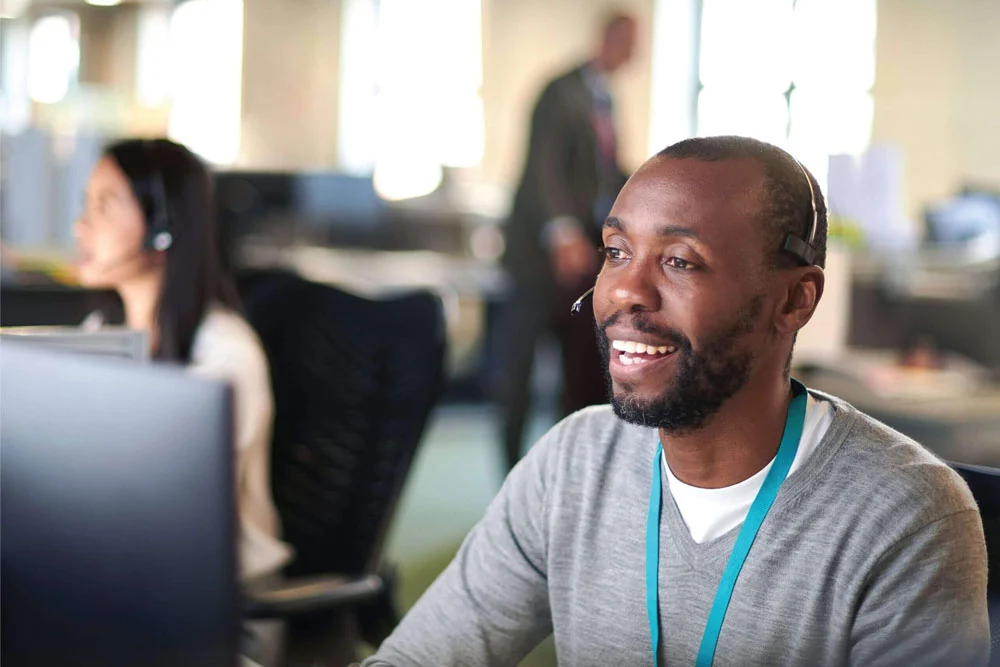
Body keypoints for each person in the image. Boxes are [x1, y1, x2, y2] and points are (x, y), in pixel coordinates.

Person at [363, 136, 990, 666]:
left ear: (795, 300)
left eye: (681, 262)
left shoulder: (906, 519)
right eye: (616, 252)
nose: (624, 292)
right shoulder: (576, 461)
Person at [74, 138, 292, 667]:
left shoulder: (225, 355)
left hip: (220, 613)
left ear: (162, 225)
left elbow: (167, 510)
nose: (82, 227)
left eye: (105, 205)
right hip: (123, 590)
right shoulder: (100, 333)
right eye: (86, 205)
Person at [498, 11, 638, 470]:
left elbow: (606, 175)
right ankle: (510, 469)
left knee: (579, 370)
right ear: (608, 38)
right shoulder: (560, 91)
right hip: (538, 258)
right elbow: (546, 169)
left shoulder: (606, 101)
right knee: (517, 369)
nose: (636, 53)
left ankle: (566, 469)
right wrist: (562, 233)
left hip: (584, 260)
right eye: (630, 41)